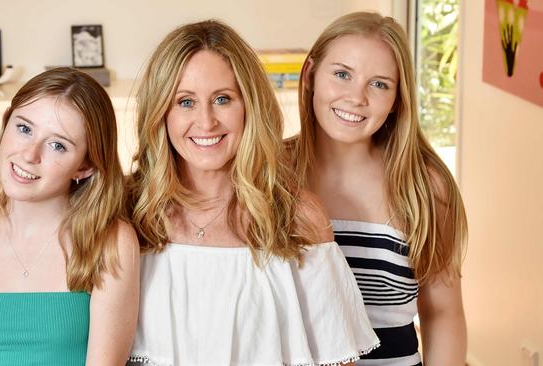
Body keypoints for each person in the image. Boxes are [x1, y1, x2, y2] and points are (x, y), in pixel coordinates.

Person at [126, 20, 379, 366]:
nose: (206, 121)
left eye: (222, 99)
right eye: (185, 102)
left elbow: (337, 359)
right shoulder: (129, 211)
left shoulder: (297, 216)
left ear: (250, 106)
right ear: (160, 112)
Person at [290, 12, 468, 365]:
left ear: (397, 99)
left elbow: (443, 313)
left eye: (379, 84)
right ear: (310, 74)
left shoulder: (425, 186)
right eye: (342, 74)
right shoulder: (266, 175)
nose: (357, 97)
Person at [0, 67, 140, 366]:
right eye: (24, 128)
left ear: (85, 167)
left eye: (58, 145)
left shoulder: (111, 242)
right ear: (5, 125)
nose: (30, 154)